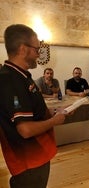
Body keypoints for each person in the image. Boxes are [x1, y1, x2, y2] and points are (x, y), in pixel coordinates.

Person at [0, 24, 66, 188]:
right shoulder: (10, 80)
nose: (39, 54)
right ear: (23, 49)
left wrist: (52, 112)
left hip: (38, 155)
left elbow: (32, 111)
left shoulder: (22, 75)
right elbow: (25, 129)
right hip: (29, 160)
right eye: (37, 49)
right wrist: (54, 121)